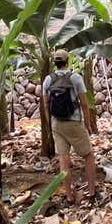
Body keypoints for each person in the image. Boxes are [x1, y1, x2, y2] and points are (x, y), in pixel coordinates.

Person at [43, 49, 96, 203]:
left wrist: (50, 123)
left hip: (57, 123)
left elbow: (46, 104)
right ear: (68, 61)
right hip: (73, 123)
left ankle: (69, 195)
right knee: (88, 155)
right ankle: (92, 192)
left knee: (63, 160)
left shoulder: (48, 80)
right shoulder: (75, 78)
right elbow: (85, 105)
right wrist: (88, 123)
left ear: (55, 63)